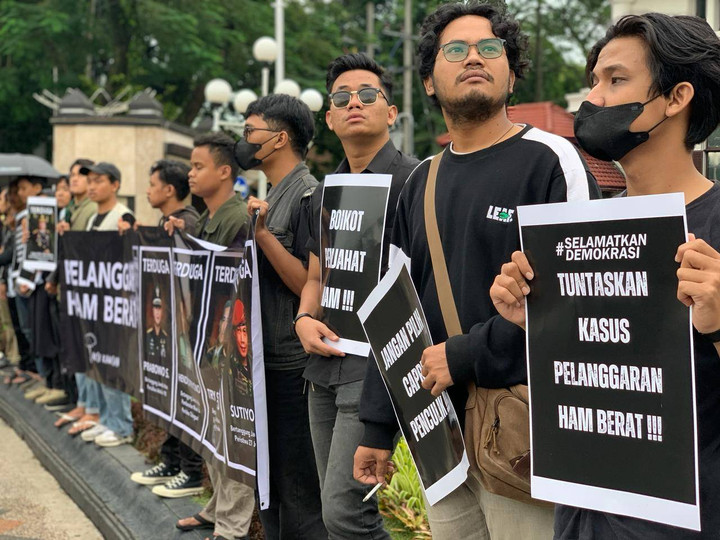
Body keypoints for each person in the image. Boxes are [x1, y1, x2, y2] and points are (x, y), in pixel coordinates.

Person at [353, 3, 600, 539]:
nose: (474, 58)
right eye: (455, 50)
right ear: (428, 81)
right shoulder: (420, 182)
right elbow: (394, 312)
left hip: (523, 436)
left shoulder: (552, 161)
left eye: (490, 48)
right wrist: (376, 426)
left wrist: (465, 355)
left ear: (511, 75)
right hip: (440, 442)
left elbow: (583, 299)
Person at [491, 12, 720, 540]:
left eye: (615, 80)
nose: (592, 99)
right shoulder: (579, 231)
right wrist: (536, 320)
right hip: (581, 518)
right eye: (594, 81)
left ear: (677, 97)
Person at [294, 53, 419, 539]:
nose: (354, 103)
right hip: (324, 362)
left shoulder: (416, 181)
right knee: (337, 511)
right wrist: (303, 319)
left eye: (368, 95)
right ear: (329, 118)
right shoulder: (324, 193)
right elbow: (316, 277)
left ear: (391, 112)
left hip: (378, 369)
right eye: (342, 98)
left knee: (346, 512)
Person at [241, 93, 326, 539]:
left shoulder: (309, 195)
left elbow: (309, 284)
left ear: (279, 138)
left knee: (298, 488)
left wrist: (264, 238)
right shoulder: (272, 194)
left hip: (293, 364)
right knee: (269, 484)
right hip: (264, 360)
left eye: (249, 131)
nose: (243, 141)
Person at [170, 132, 254, 540]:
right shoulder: (207, 217)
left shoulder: (238, 218)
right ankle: (217, 508)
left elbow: (237, 286)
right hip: (203, 339)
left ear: (224, 172)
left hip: (226, 345)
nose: (190, 174)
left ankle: (232, 527)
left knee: (231, 433)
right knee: (211, 428)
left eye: (198, 166)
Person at [131, 160, 204, 500]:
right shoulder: (166, 223)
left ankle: (190, 471)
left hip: (186, 329)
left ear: (169, 190)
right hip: (167, 327)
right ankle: (171, 461)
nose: (148, 190)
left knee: (186, 398)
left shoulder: (188, 222)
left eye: (152, 184)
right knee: (169, 396)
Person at [73, 162, 135, 448]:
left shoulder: (123, 216)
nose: (92, 186)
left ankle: (121, 425)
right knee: (96, 362)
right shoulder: (91, 220)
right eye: (91, 181)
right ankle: (106, 419)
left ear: (115, 185)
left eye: (99, 181)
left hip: (113, 306)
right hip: (93, 303)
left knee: (112, 365)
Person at [51, 159, 97, 427]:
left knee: (88, 351)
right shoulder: (71, 210)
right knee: (76, 350)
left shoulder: (91, 209)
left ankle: (91, 407)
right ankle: (82, 403)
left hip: (87, 294)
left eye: (81, 174)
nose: (75, 179)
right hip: (71, 291)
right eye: (72, 175)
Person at [229, 299, 251, 396]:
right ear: (234, 334)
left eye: (245, 331)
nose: (242, 339)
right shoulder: (231, 365)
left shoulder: (255, 362)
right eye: (239, 331)